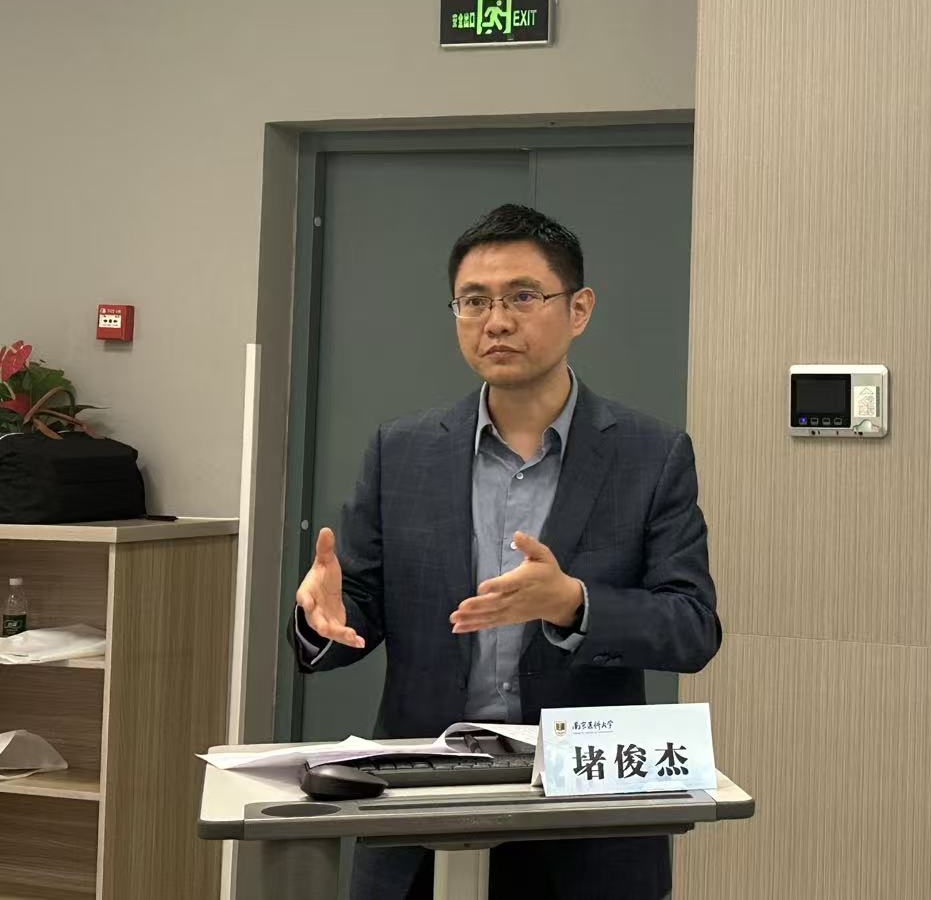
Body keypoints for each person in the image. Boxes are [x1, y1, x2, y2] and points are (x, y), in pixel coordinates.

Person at [290, 203, 719, 900]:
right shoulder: (403, 450)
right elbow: (356, 612)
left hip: (585, 819)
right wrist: (324, 617)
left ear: (578, 309)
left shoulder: (651, 454)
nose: (496, 321)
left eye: (523, 296)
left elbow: (692, 627)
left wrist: (575, 605)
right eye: (474, 301)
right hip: (423, 811)